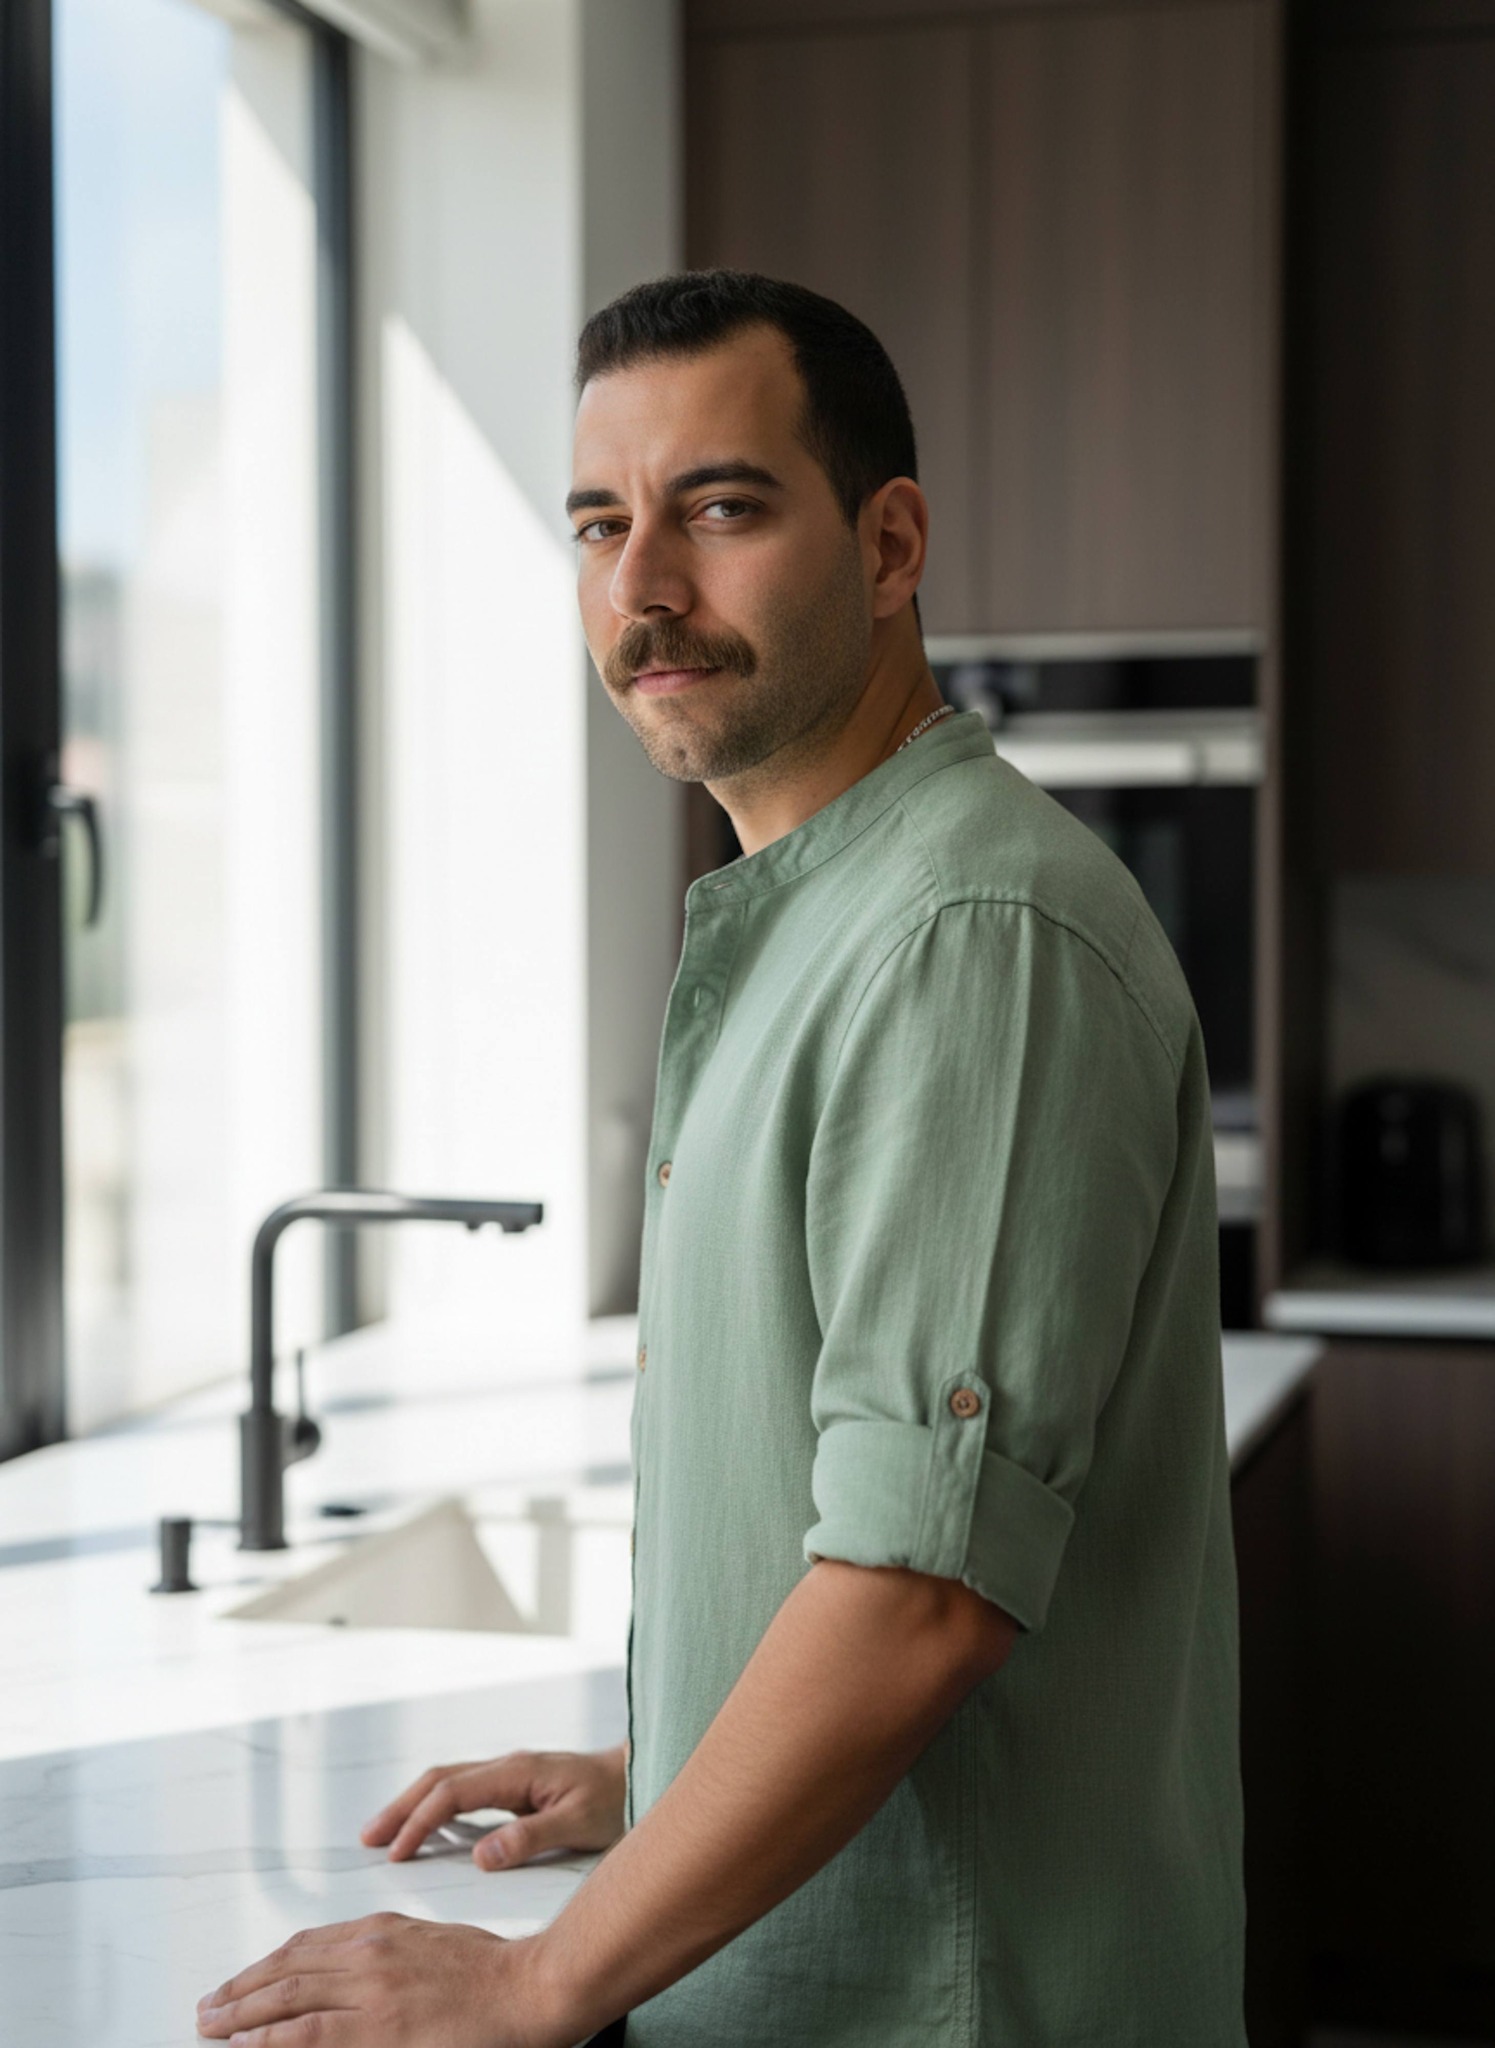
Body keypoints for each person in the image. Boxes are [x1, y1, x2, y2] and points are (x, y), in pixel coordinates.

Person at [196, 271, 1245, 2048]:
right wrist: (655, 1771)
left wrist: (537, 1979)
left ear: (891, 541)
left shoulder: (966, 932)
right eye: (602, 522)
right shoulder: (819, 917)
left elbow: (914, 1603)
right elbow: (841, 1536)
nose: (642, 589)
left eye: (723, 508)